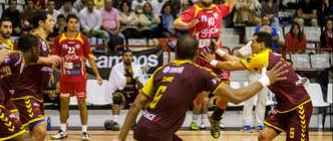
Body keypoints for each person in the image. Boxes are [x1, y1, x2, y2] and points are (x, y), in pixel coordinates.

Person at [114, 34, 286, 141]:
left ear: (175, 53)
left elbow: (136, 105)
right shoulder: (199, 72)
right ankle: (213, 118)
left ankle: (212, 119)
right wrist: (266, 80)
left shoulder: (161, 70)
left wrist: (121, 137)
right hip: (158, 133)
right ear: (197, 53)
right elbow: (237, 96)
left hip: (143, 127)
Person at [202, 31, 313, 141]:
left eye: (253, 42)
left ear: (262, 45)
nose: (251, 44)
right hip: (284, 105)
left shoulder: (262, 57)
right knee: (263, 137)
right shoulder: (266, 56)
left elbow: (233, 65)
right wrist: (219, 51)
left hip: (298, 105)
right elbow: (239, 61)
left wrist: (212, 62)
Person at [173, 0, 240, 138]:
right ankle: (195, 112)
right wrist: (187, 25)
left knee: (227, 92)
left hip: (217, 55)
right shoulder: (194, 10)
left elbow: (229, 4)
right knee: (198, 99)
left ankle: (216, 118)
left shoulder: (217, 9)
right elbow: (177, 22)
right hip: (200, 58)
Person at [11, 10, 61, 141]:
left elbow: (40, 64)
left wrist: (48, 71)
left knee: (28, 134)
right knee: (40, 130)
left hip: (36, 93)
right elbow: (19, 57)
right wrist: (46, 60)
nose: (53, 23)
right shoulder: (30, 39)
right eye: (50, 20)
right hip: (24, 92)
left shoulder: (44, 42)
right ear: (41, 23)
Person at [52, 14, 103, 141]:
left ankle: (84, 132)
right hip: (64, 79)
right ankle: (63, 130)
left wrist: (97, 74)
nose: (73, 24)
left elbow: (90, 58)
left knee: (82, 104)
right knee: (64, 104)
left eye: (75, 22)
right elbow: (54, 59)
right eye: (71, 22)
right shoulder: (59, 39)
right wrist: (50, 74)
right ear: (66, 24)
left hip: (79, 78)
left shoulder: (83, 39)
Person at [107, 49, 144, 130]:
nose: (128, 58)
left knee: (145, 100)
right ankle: (115, 122)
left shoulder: (137, 68)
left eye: (130, 56)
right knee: (116, 97)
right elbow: (112, 84)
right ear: (122, 57)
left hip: (134, 93)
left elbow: (142, 87)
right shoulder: (116, 68)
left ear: (132, 57)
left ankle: (140, 122)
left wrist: (136, 78)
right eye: (126, 56)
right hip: (122, 93)